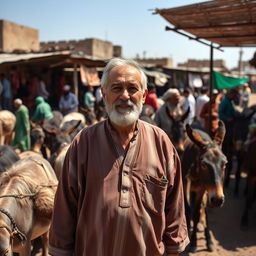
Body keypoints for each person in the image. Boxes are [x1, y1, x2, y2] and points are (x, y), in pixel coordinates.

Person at [49, 58, 189, 256]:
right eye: (116, 88)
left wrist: (174, 249)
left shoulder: (161, 143)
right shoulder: (84, 143)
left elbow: (175, 208)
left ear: (143, 96)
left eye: (132, 88)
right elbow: (64, 210)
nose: (125, 96)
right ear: (104, 94)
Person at [218, 88, 239, 186]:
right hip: (226, 126)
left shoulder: (231, 101)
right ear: (230, 94)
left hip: (232, 125)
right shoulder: (225, 101)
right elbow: (220, 114)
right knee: (226, 144)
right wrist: (227, 118)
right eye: (234, 95)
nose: (235, 97)